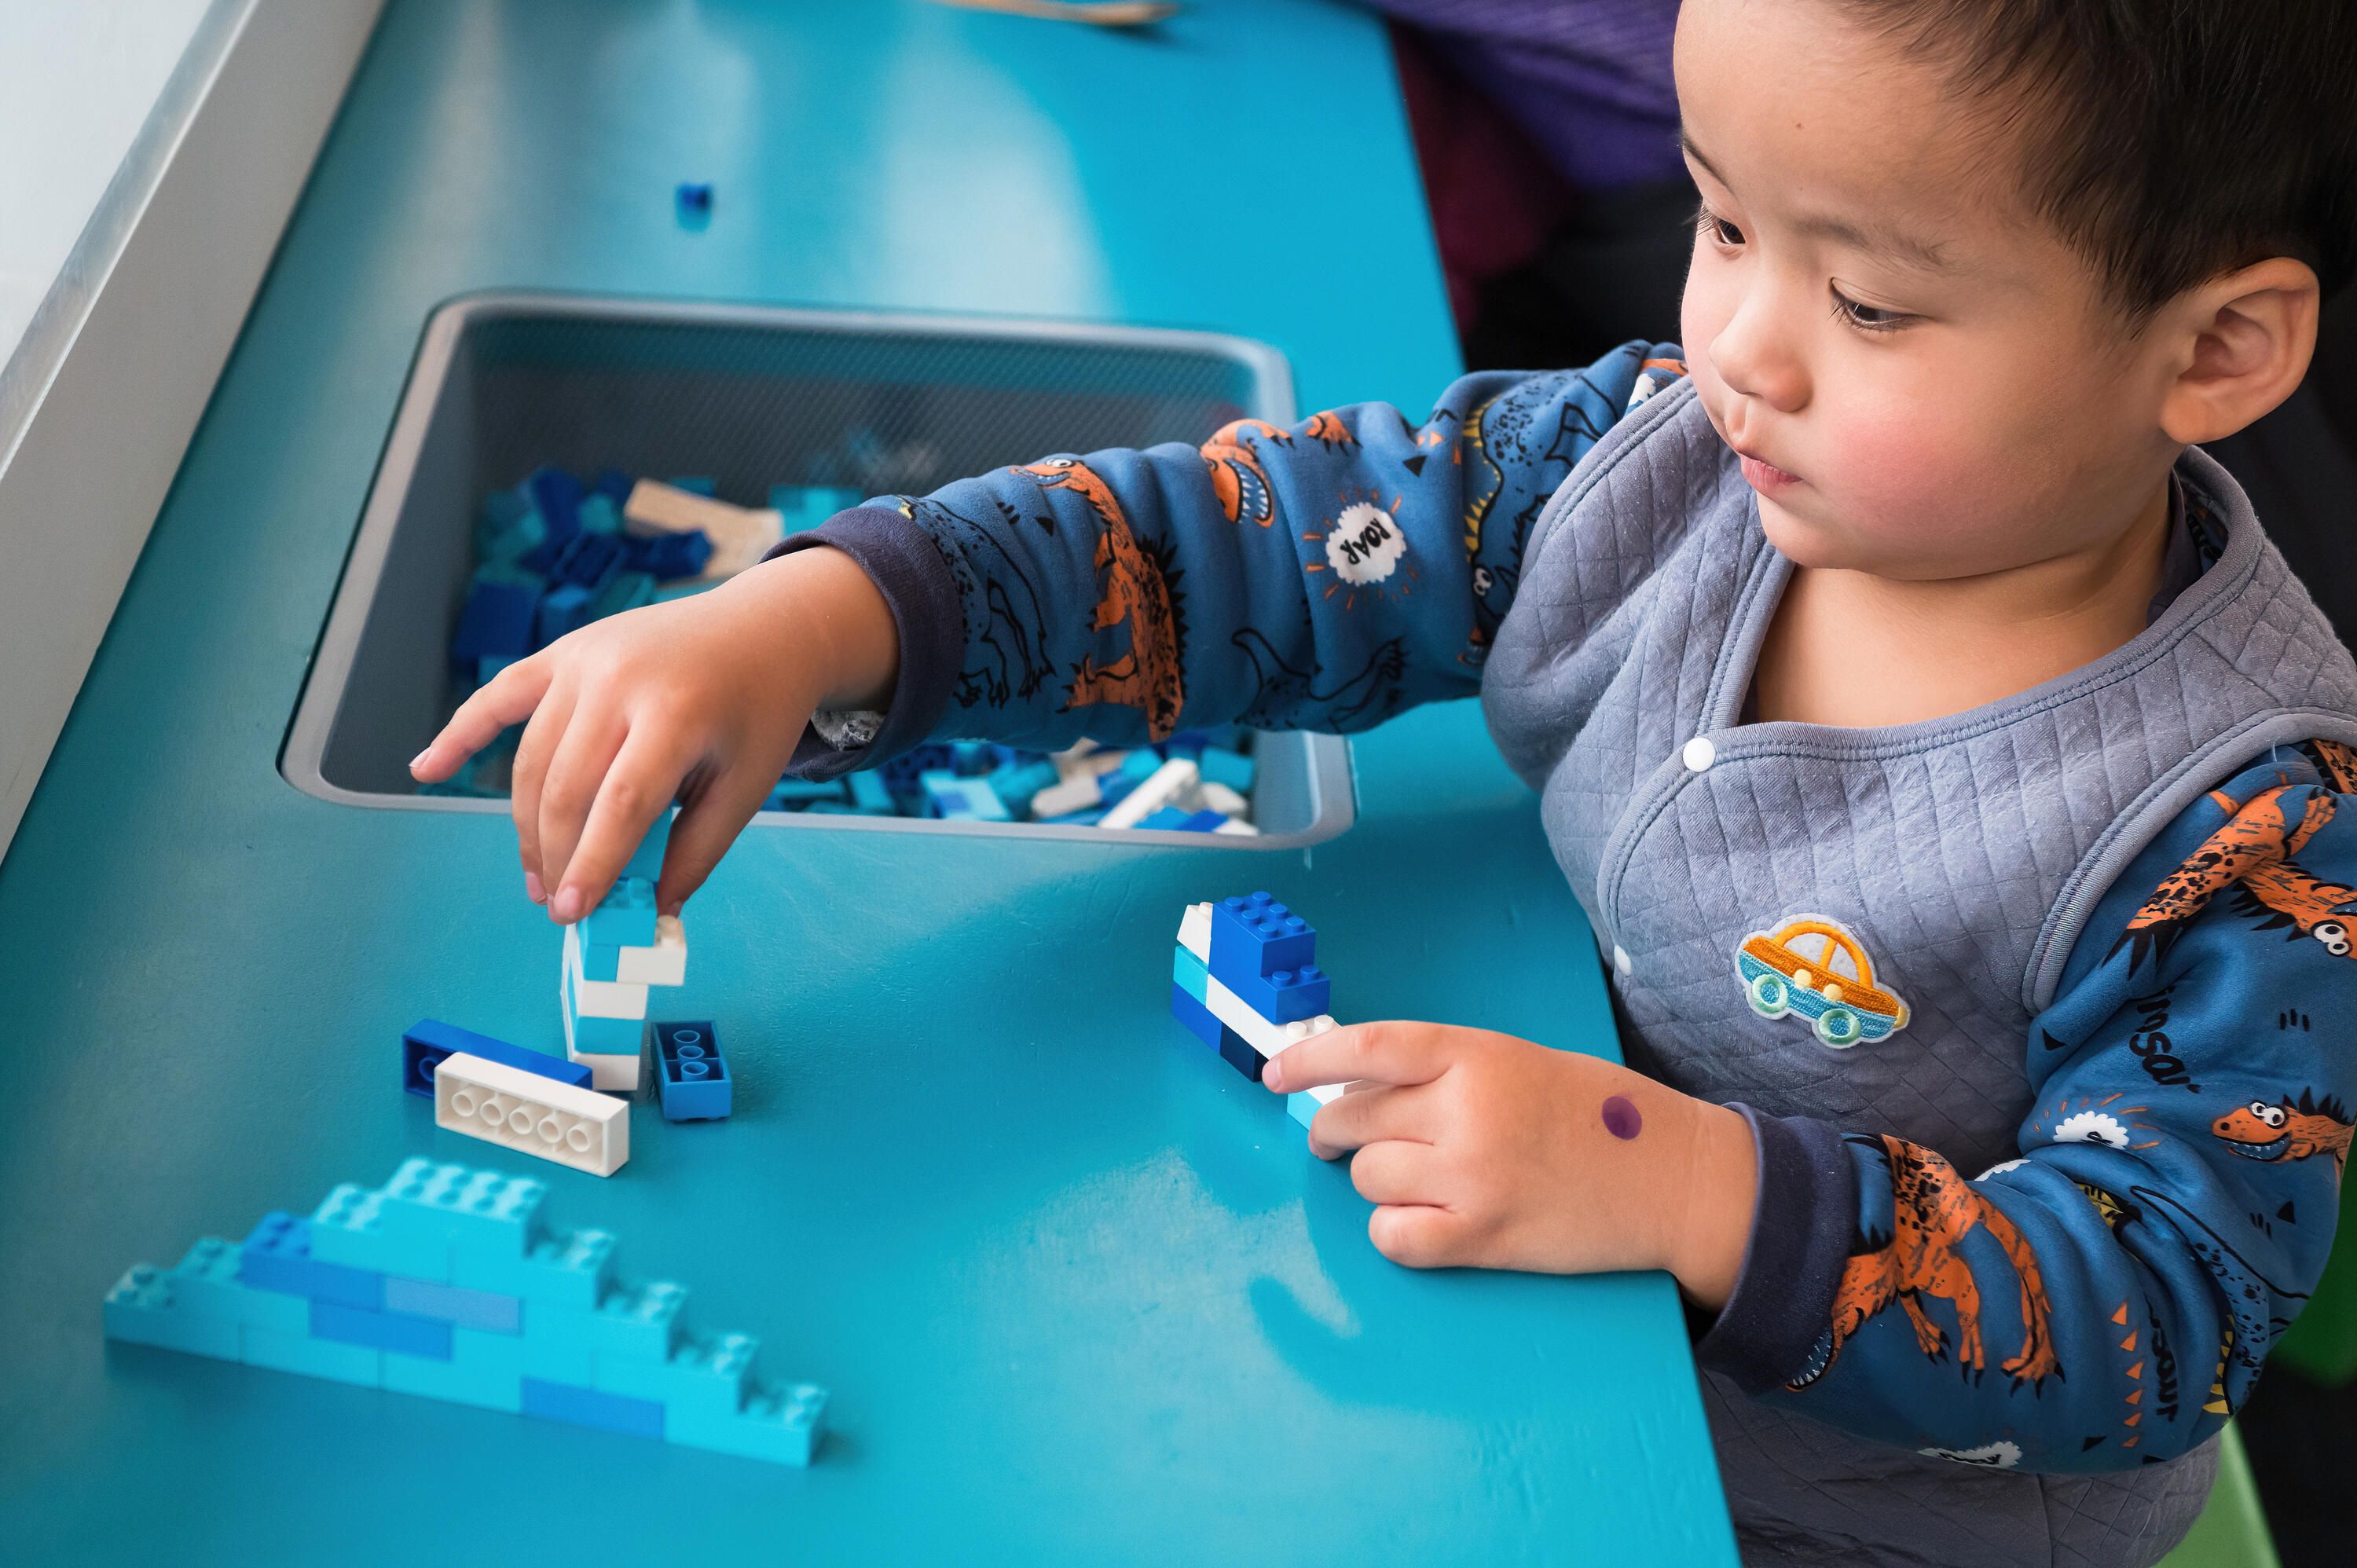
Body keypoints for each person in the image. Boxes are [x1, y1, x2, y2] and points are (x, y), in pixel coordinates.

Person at [412, 2, 2357, 1561]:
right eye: (1726, 219)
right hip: (1515, 1353)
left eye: (1871, 303)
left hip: (1852, 1517)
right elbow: (1257, 541)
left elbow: (2158, 1304)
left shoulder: (2249, 828)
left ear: (2217, 350)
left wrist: (1676, 1179)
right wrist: (836, 620)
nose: (1741, 345)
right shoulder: (1651, 462)